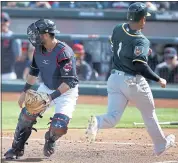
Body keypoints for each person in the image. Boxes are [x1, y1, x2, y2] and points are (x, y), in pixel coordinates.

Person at [86, 2, 175, 156]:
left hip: (114, 79)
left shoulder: (117, 28)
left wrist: (138, 52)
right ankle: (160, 145)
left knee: (113, 118)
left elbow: (117, 45)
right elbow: (140, 66)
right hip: (133, 81)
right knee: (149, 114)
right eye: (144, 18)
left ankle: (98, 122)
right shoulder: (142, 40)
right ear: (142, 19)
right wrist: (158, 78)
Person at [4, 19, 79, 159]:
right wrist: (24, 92)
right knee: (26, 116)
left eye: (36, 33)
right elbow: (33, 73)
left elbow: (69, 82)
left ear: (45, 35)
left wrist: (49, 98)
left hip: (65, 92)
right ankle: (16, 149)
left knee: (59, 126)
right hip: (46, 87)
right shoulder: (38, 50)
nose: (33, 36)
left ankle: (50, 139)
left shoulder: (64, 52)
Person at [2, 12, 22, 80]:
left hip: (8, 73)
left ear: (9, 22)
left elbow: (18, 57)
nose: (2, 23)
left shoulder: (14, 37)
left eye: (4, 20)